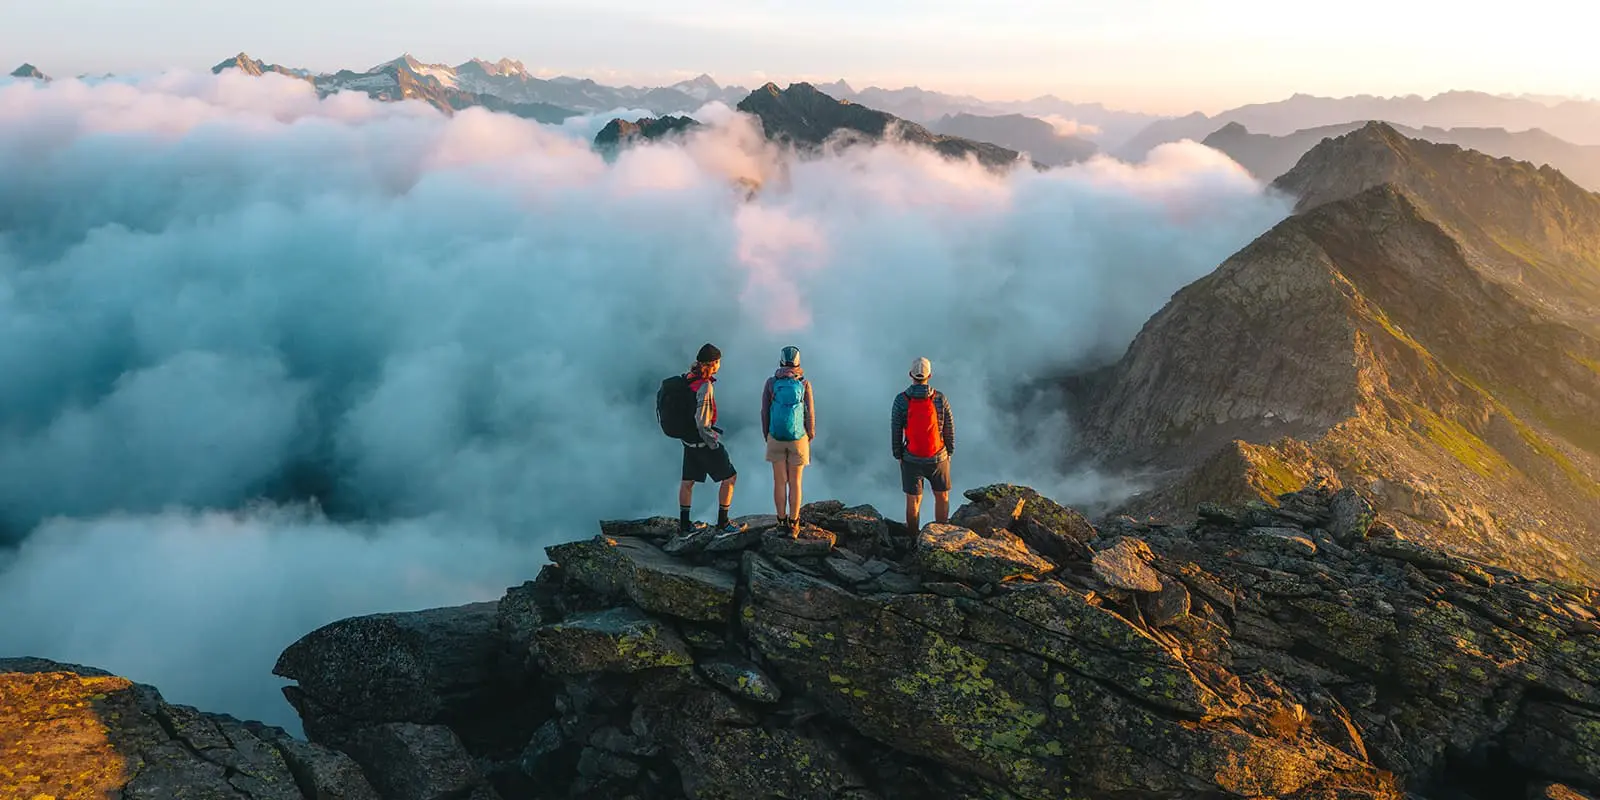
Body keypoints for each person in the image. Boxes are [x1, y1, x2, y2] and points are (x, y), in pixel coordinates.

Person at [679, 343, 741, 534]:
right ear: (713, 363)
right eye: (718, 362)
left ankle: (684, 526)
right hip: (702, 442)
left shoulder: (686, 378)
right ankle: (723, 522)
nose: (720, 365)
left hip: (687, 441)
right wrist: (713, 443)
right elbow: (702, 421)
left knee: (687, 482)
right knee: (730, 477)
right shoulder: (705, 386)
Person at [890, 357, 954, 534]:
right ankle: (941, 537)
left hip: (911, 458)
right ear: (930, 375)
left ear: (911, 374)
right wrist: (949, 452)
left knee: (913, 501)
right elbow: (948, 427)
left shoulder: (901, 400)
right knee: (942, 497)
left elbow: (896, 430)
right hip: (938, 456)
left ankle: (912, 539)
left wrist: (898, 455)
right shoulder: (940, 398)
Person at [761, 346, 815, 534]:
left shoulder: (771, 383)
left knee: (779, 481)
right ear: (798, 363)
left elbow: (764, 411)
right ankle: (794, 522)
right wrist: (810, 434)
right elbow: (810, 413)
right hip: (798, 438)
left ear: (781, 362)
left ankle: (780, 521)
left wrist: (767, 434)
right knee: (795, 482)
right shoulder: (804, 383)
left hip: (775, 436)